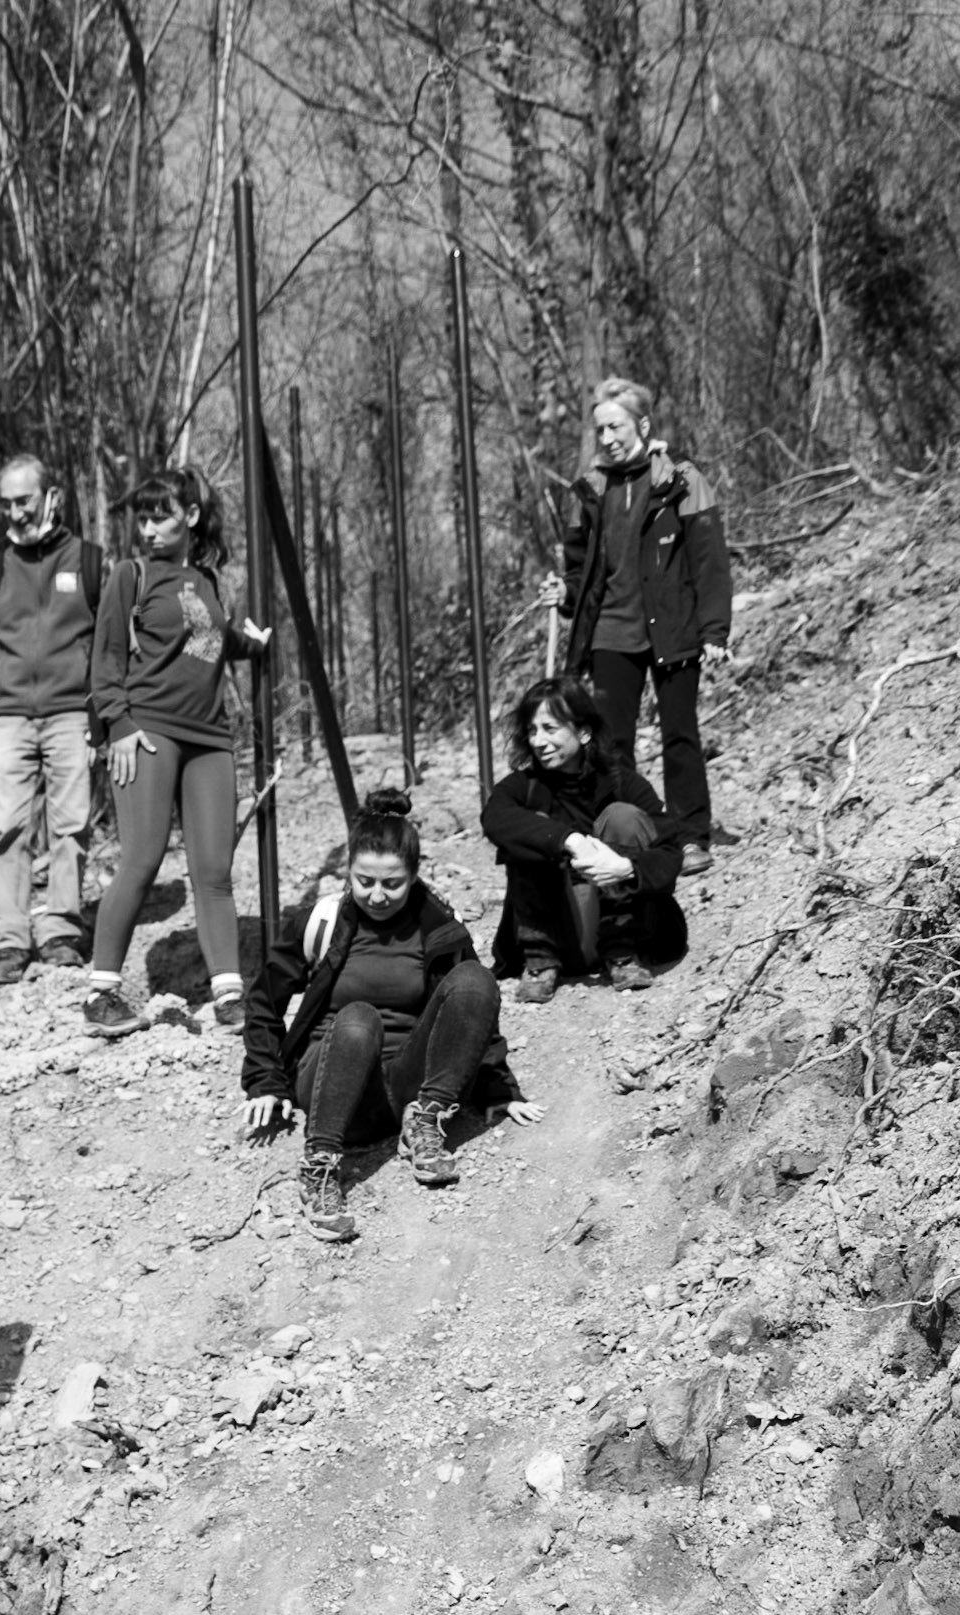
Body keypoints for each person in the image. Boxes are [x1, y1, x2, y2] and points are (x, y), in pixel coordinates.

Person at [238, 789, 545, 1242]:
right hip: (330, 1079)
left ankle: (425, 1122)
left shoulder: (439, 925)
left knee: (474, 978)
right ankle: (320, 1165)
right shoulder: (321, 921)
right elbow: (264, 998)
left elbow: (472, 1011)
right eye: (365, 882)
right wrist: (265, 1079)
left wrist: (499, 1085)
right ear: (348, 873)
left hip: (402, 1085)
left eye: (392, 884)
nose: (377, 896)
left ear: (415, 876)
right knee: (359, 1018)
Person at [82, 466, 270, 1037]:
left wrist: (250, 643)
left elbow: (207, 642)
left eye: (159, 516)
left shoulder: (205, 580)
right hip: (150, 731)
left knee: (214, 870)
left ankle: (229, 994)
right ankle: (101, 995)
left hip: (210, 736)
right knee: (142, 859)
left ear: (189, 517)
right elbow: (106, 658)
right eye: (142, 517)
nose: (147, 528)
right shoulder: (129, 575)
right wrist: (117, 725)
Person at [537, 377, 732, 875]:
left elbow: (709, 560)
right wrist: (566, 595)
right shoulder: (593, 488)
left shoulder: (683, 479)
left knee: (680, 735)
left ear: (642, 424)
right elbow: (582, 570)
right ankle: (637, 833)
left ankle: (690, 837)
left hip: (673, 626)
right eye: (600, 428)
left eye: (615, 426)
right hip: (611, 631)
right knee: (611, 744)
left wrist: (714, 631)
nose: (606, 438)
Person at [0, 453, 102, 988]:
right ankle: (10, 939)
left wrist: (101, 721)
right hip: (8, 719)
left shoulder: (92, 563)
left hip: (72, 714)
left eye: (23, 499)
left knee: (70, 826)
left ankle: (63, 929)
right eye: (7, 502)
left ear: (50, 497)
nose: (15, 511)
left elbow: (108, 649)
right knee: (5, 830)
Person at [481, 675, 686, 1004]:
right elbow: (494, 817)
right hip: (558, 935)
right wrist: (567, 838)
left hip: (628, 935)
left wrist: (626, 867)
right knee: (530, 827)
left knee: (624, 816)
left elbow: (671, 851)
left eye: (550, 728)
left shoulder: (621, 782)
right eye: (532, 731)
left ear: (583, 731)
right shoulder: (523, 787)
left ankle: (622, 953)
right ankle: (540, 962)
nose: (538, 741)